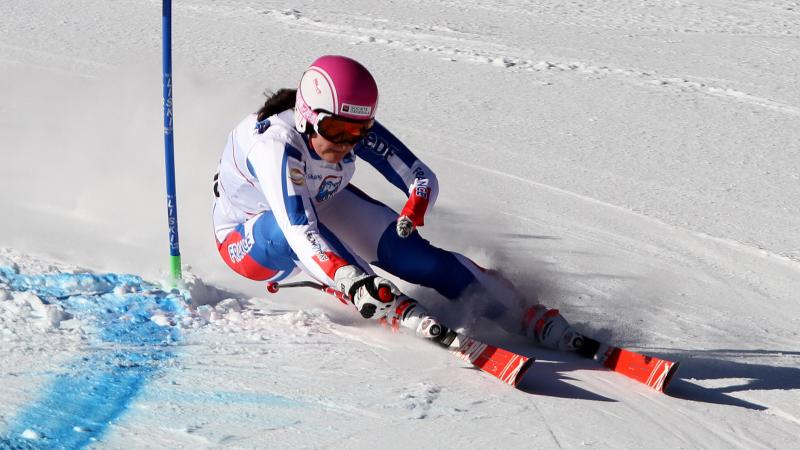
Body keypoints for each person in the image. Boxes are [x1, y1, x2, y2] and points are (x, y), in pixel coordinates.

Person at [212, 55, 579, 350]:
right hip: (250, 239)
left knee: (417, 257)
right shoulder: (276, 146)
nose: (346, 143)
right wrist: (352, 280)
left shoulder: (348, 120)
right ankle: (387, 302)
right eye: (335, 131)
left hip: (319, 205)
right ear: (308, 117)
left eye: (358, 132)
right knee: (313, 246)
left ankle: (519, 313)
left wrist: (416, 205)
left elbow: (419, 176)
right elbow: (297, 228)